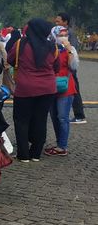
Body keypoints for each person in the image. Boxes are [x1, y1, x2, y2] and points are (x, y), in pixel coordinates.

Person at [7, 18, 59, 162]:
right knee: (41, 120)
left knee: (21, 121)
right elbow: (57, 67)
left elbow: (11, 59)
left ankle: (23, 155)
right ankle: (36, 153)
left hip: (25, 88)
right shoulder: (52, 47)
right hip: (48, 89)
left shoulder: (20, 45)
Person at [46, 26, 78, 157]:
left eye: (65, 34)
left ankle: (62, 146)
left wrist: (69, 49)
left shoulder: (70, 49)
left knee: (63, 117)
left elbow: (74, 66)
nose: (63, 37)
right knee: (54, 117)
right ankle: (59, 143)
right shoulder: (50, 48)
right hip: (51, 86)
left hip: (66, 87)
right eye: (60, 35)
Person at [54, 12, 86, 124]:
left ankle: (79, 115)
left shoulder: (69, 34)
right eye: (56, 21)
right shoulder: (59, 32)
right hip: (62, 67)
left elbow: (71, 50)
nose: (56, 23)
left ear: (65, 22)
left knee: (73, 90)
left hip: (69, 67)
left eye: (58, 21)